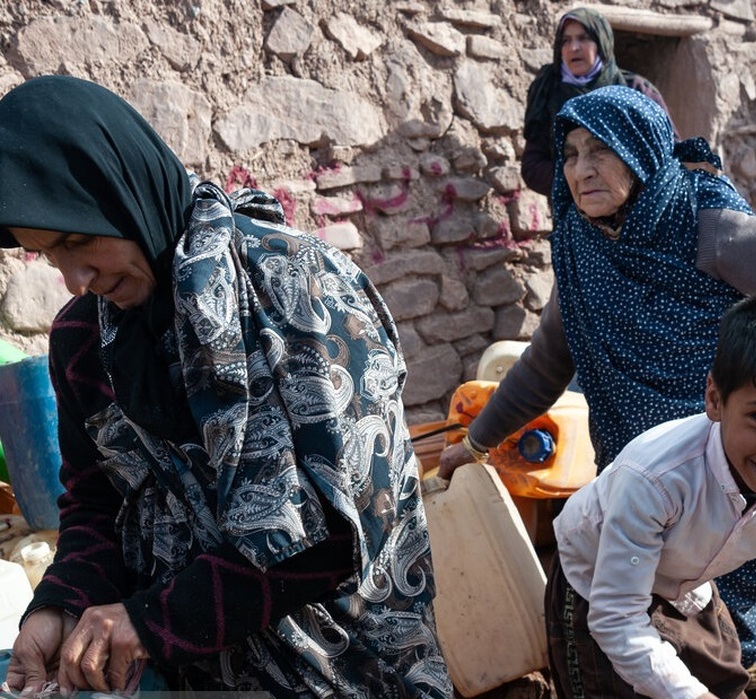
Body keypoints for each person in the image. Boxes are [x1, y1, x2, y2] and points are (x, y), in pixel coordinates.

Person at [0, 76, 451, 698]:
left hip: (346, 667)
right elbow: (96, 506)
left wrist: (152, 621)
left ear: (123, 191)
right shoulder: (85, 342)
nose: (75, 278)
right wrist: (60, 603)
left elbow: (338, 530)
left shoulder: (295, 289)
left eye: (78, 240)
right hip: (187, 678)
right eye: (48, 254)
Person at [439, 85, 756, 698]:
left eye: (600, 152)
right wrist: (476, 443)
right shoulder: (583, 249)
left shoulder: (710, 229)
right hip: (650, 484)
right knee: (657, 649)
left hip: (739, 462)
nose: (582, 170)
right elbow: (544, 363)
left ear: (640, 152)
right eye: (571, 154)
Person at [546, 291, 756, 698]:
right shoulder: (655, 479)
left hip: (685, 582)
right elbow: (616, 618)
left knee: (724, 682)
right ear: (715, 399)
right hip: (595, 581)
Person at [522, 6, 677, 196]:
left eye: (583, 38)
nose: (574, 47)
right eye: (566, 41)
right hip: (572, 212)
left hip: (634, 210)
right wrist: (576, 182)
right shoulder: (548, 91)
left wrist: (626, 184)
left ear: (601, 42)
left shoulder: (635, 89)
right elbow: (532, 165)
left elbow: (671, 152)